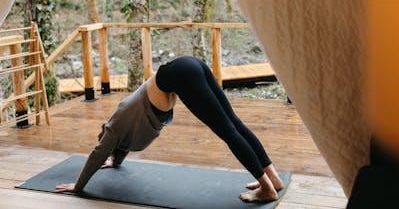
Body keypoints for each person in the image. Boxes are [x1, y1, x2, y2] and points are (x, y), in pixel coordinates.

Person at [55, 56, 283, 202]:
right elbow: (118, 148)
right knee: (234, 123)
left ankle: (267, 188)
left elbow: (98, 153)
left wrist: (78, 186)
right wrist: (115, 162)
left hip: (182, 74)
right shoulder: (124, 126)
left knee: (228, 131)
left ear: (107, 135)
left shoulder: (114, 129)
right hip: (189, 65)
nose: (108, 145)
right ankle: (273, 178)